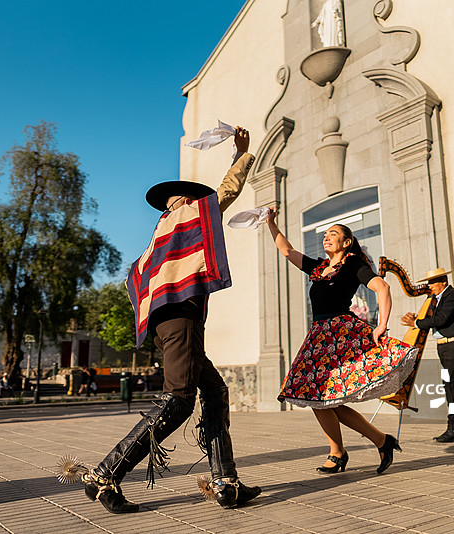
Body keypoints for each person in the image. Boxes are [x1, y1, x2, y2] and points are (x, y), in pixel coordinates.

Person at [82, 126, 261, 514]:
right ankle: (105, 474)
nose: (198, 203)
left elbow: (134, 280)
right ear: (179, 203)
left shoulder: (158, 240)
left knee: (214, 391)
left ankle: (225, 481)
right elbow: (224, 193)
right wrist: (241, 154)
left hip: (169, 323)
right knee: (179, 399)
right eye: (191, 198)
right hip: (181, 319)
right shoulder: (183, 221)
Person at [266, 207, 418, 475]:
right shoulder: (319, 267)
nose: (326, 237)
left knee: (322, 398)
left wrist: (381, 325)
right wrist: (270, 222)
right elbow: (287, 251)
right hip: (317, 337)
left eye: (332, 234)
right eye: (324, 234)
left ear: (346, 242)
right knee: (316, 397)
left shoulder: (352, 265)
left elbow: (382, 287)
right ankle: (374, 443)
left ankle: (344, 452)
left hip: (339, 335)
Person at [401, 268, 454, 442]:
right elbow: (437, 318)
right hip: (446, 346)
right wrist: (418, 319)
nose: (429, 286)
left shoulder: (453, 296)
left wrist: (416, 323)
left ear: (443, 282)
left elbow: (441, 320)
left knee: (450, 384)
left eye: (433, 283)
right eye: (428, 283)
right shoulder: (439, 299)